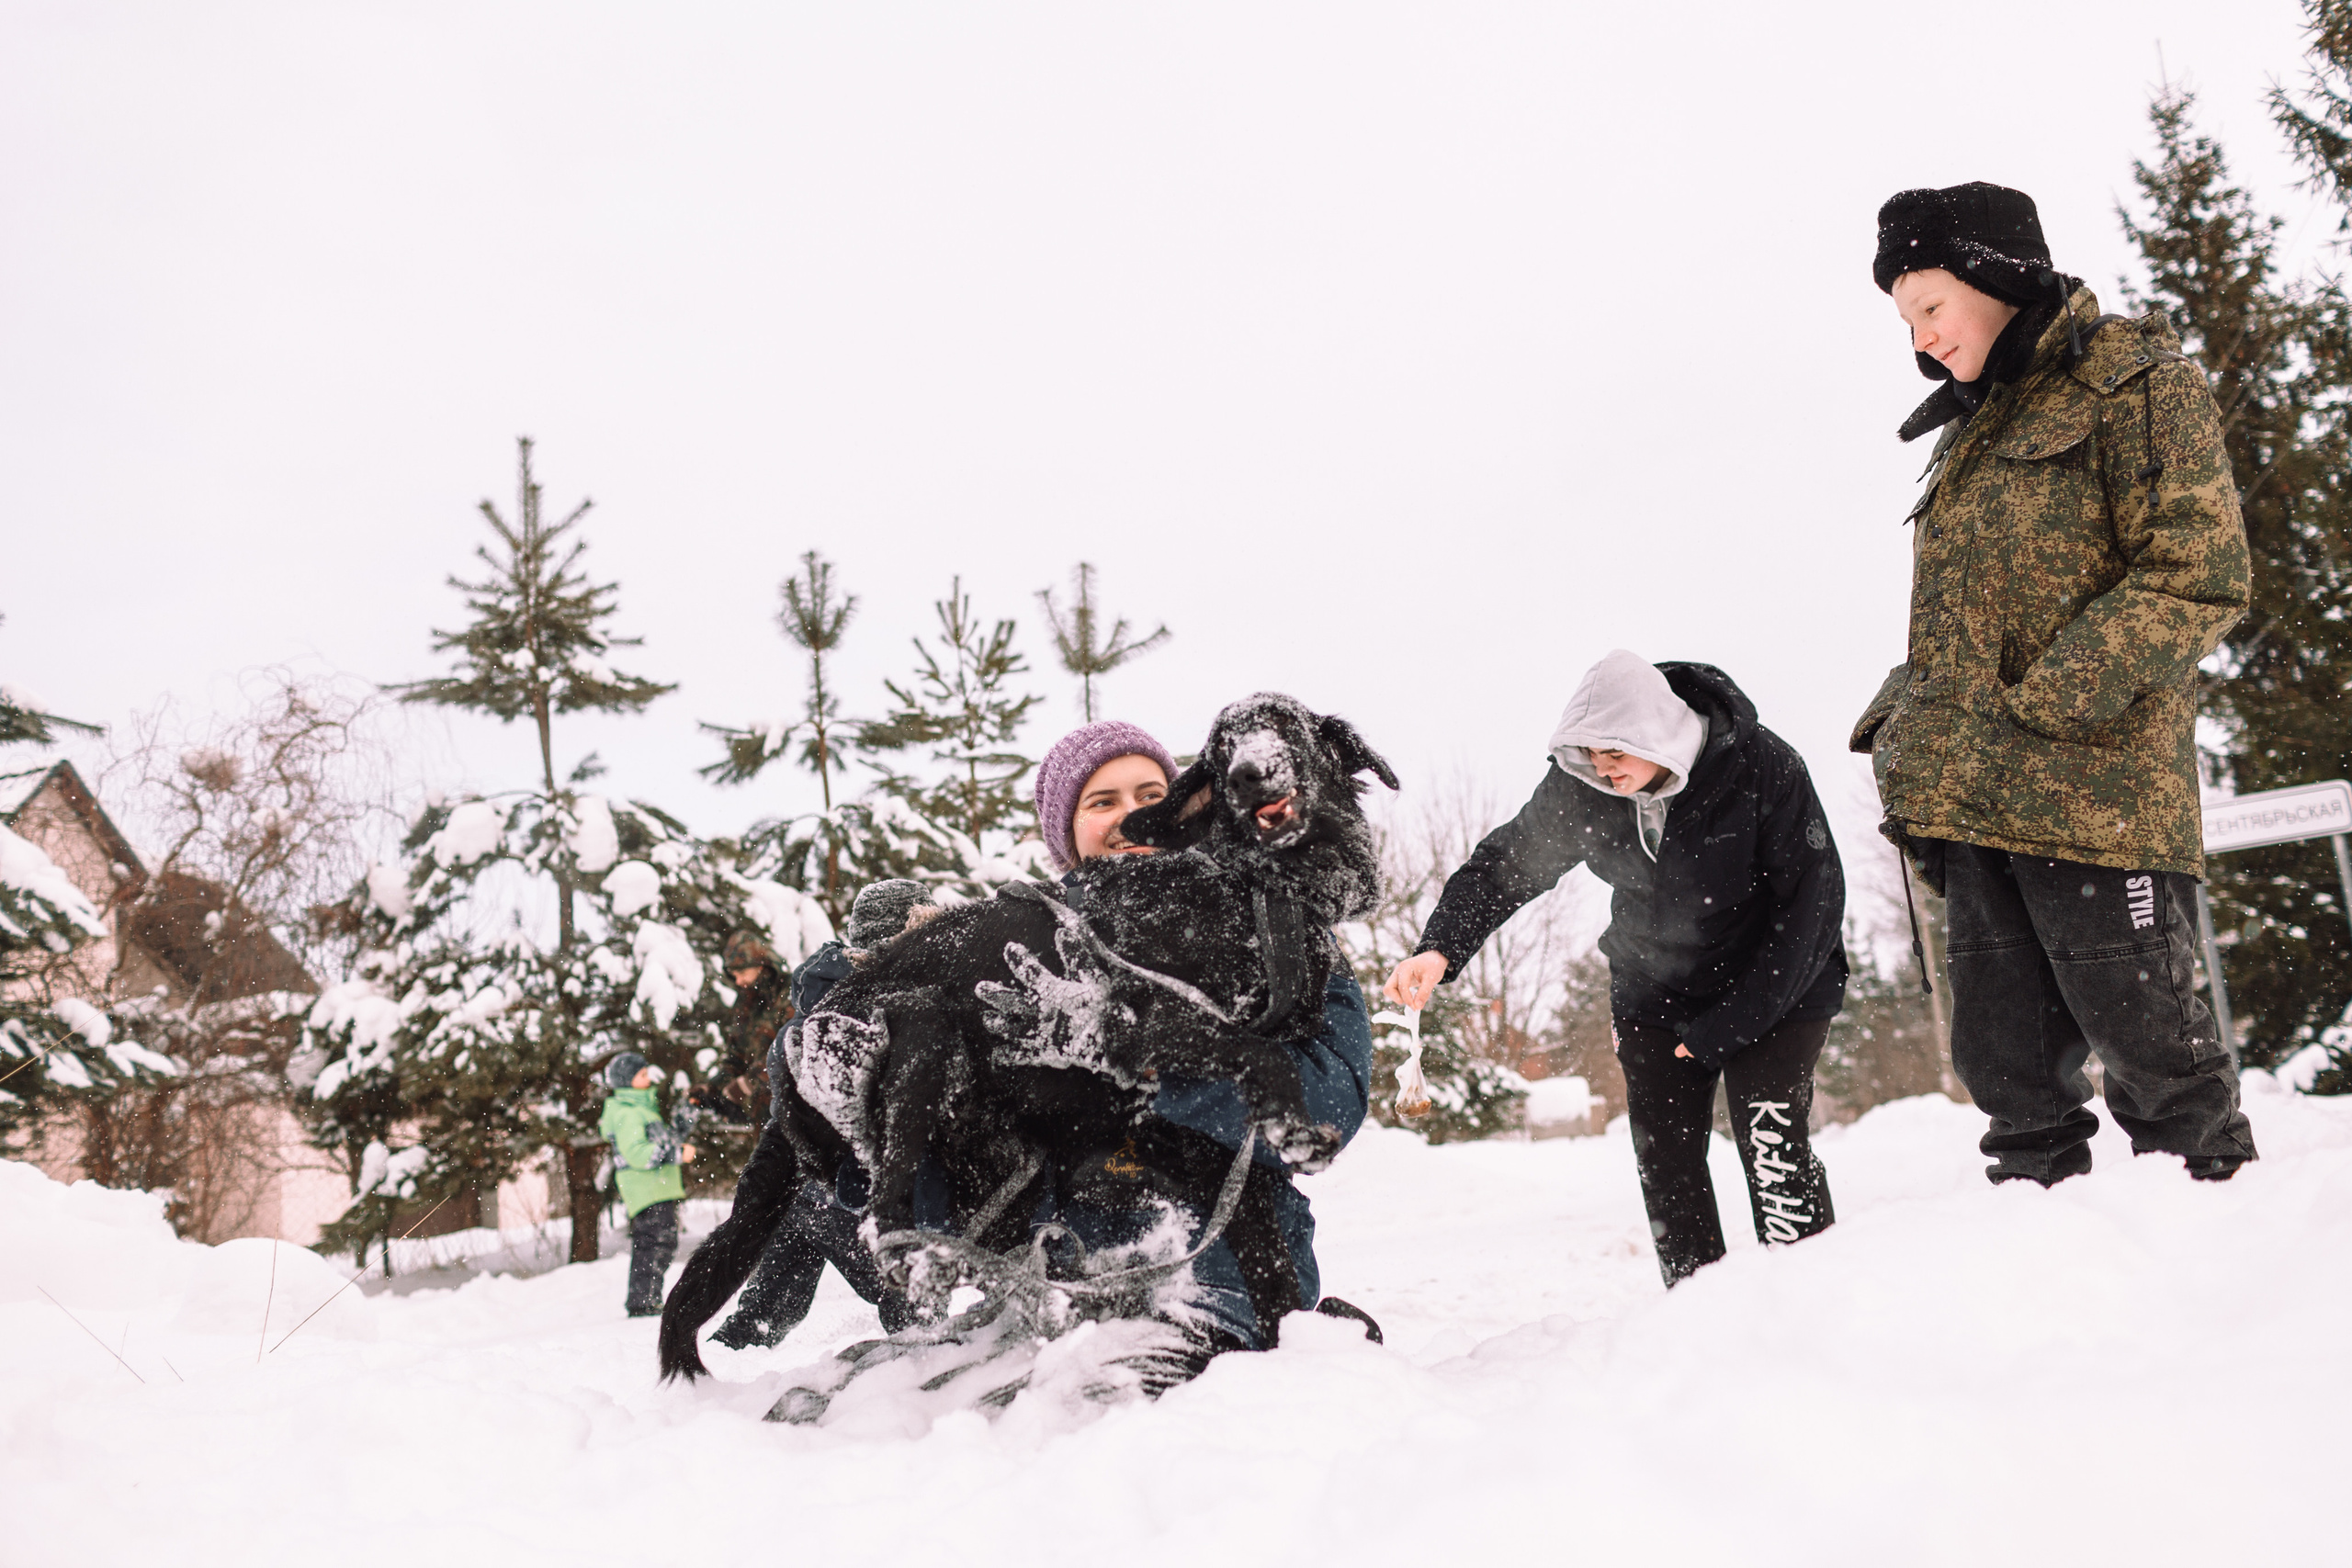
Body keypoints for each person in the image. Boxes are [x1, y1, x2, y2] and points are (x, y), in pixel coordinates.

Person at [1855, 181, 2256, 1185]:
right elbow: (1966, 628)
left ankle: (2227, 1273)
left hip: (2093, 798)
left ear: (1994, 276)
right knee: (2009, 1079)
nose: (1921, 338)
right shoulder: (1966, 435)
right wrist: (1904, 723)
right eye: (1905, 320)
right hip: (1975, 802)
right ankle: (2043, 1289)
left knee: (2160, 1066)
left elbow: (2196, 572)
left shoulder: (2134, 383)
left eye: (1931, 307)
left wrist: (2048, 703)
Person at [1385, 652, 1846, 1287]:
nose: (1604, 768)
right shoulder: (1586, 789)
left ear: (1656, 731)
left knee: (1770, 1144)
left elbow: (1813, 902)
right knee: (1667, 1159)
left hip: (1775, 982)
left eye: (1615, 751)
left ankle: (1809, 1293)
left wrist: (1727, 1026)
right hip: (1655, 988)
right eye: (1592, 755)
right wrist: (1440, 947)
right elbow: (1507, 863)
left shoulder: (1762, 766)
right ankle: (1695, 1305)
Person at [1025, 718, 1380, 1356]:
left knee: (1134, 1399)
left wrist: (1149, 1067)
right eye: (1101, 802)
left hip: (1228, 1274)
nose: (1129, 816)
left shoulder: (1271, 926)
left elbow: (1329, 1107)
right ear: (1065, 833)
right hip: (1052, 1289)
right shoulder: (1030, 947)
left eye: (1149, 797)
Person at [709, 887, 936, 1349]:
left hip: (819, 1176)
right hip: (855, 1187)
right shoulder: (888, 996)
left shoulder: (818, 991)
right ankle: (928, 1369)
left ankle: (723, 1366)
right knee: (913, 1308)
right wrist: (727, 1085)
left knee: (770, 1292)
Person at [599, 1052, 695, 1317]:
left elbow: (667, 1138)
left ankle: (645, 1299)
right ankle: (643, 1302)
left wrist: (687, 1113)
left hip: (656, 1187)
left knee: (656, 1243)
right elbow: (638, 1154)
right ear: (626, 1082)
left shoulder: (644, 1110)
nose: (647, 1078)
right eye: (641, 1075)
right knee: (656, 1243)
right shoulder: (629, 1114)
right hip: (647, 1189)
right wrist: (676, 1155)